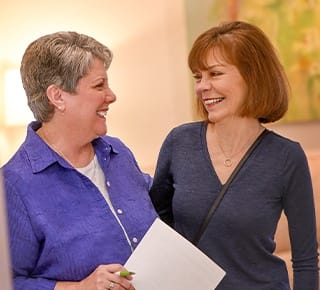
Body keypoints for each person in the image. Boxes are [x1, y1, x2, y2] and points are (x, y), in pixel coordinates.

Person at [149, 21, 319, 290]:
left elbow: (306, 259)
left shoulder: (287, 158)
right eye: (198, 76)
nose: (202, 87)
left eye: (215, 74)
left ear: (253, 76)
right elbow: (154, 221)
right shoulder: (179, 142)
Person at [2, 31, 158, 290]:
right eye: (99, 86)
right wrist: (79, 287)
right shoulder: (13, 185)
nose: (111, 96)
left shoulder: (118, 153)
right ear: (58, 97)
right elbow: (8, 282)